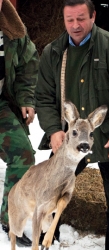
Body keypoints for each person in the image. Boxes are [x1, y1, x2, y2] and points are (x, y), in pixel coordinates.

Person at [35, 0, 109, 249]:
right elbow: (42, 97)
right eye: (70, 19)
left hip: (108, 136)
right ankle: (43, 241)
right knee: (48, 190)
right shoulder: (53, 52)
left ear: (93, 16)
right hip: (70, 138)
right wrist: (53, 130)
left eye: (81, 18)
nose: (75, 25)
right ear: (63, 19)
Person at [0, 0, 39, 246]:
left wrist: (25, 99)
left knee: (23, 155)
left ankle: (9, 217)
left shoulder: (13, 31)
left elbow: (28, 66)